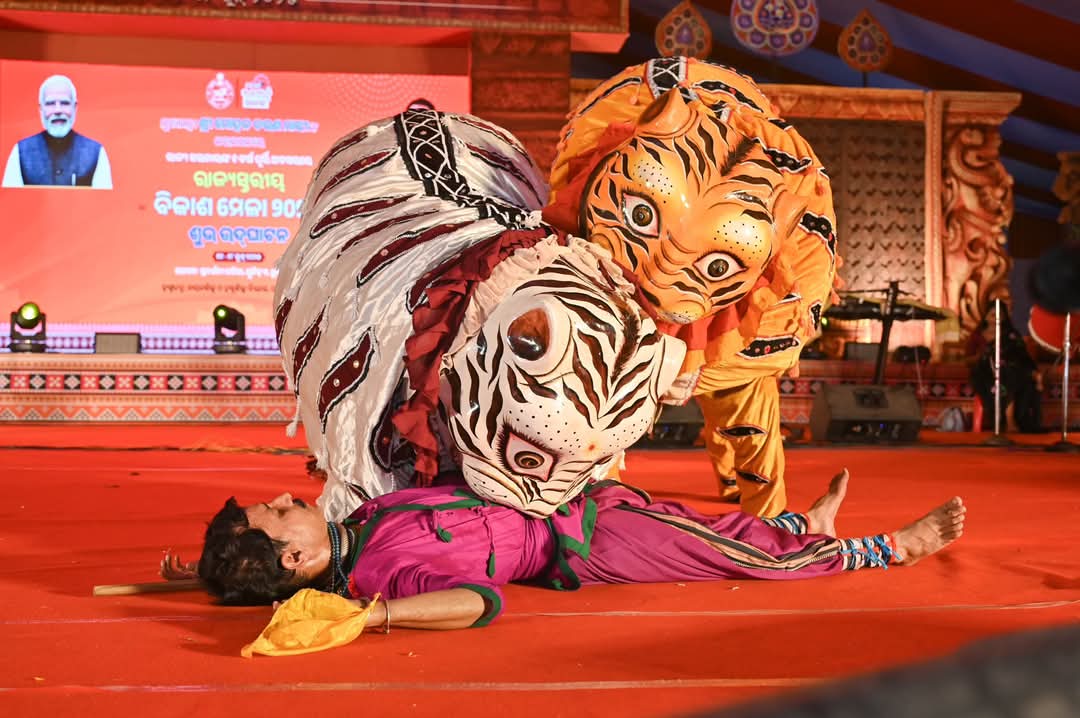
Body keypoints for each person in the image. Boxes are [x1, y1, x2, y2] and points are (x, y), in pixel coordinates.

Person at [176, 470, 966, 630]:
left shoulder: (363, 521)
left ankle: (800, 527)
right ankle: (885, 548)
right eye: (274, 513)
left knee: (708, 531)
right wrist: (377, 614)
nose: (284, 498)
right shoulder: (378, 573)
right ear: (292, 562)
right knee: (728, 555)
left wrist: (196, 574)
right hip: (581, 542)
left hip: (575, 496)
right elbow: (478, 603)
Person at [2, 75, 113, 189]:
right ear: (41, 109)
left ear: (75, 108)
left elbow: (105, 204)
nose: (58, 110)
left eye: (65, 103)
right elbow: (9, 203)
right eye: (50, 104)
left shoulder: (97, 152)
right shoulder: (20, 151)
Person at [968, 304, 1042, 433]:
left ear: (1004, 317)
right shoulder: (978, 335)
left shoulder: (1011, 335)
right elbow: (967, 360)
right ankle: (1009, 421)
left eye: (999, 313)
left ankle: (1013, 419)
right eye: (992, 312)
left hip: (1009, 371)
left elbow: (1021, 356)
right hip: (985, 373)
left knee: (1011, 373)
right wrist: (983, 355)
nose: (995, 315)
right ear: (985, 316)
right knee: (1005, 375)